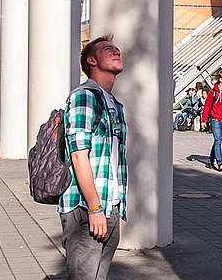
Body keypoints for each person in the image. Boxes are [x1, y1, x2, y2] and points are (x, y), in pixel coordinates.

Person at [59, 35, 127, 280]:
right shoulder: (84, 96)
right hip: (86, 209)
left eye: (116, 48)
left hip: (109, 207)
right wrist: (94, 208)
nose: (116, 51)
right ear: (91, 61)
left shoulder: (114, 104)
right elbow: (79, 155)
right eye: (108, 49)